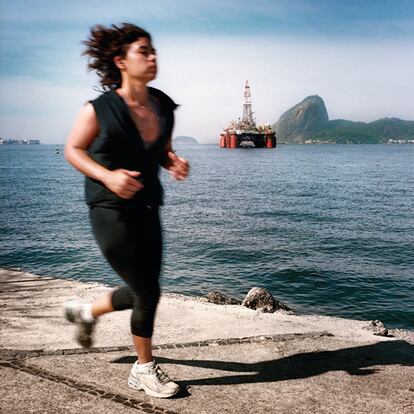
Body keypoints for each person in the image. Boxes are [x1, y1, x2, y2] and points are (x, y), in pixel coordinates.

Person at [63, 23, 189, 399]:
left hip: (149, 203)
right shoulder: (98, 110)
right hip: (109, 206)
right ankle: (143, 370)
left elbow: (161, 150)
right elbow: (73, 150)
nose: (153, 57)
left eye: (154, 51)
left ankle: (86, 312)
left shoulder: (163, 105)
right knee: (147, 289)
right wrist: (109, 177)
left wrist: (173, 162)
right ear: (121, 61)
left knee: (143, 289)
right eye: (144, 51)